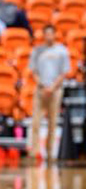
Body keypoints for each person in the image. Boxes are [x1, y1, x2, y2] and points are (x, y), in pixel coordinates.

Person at [29, 25, 71, 161]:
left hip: (56, 91)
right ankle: (35, 152)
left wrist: (52, 87)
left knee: (53, 122)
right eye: (46, 34)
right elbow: (33, 71)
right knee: (36, 121)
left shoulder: (62, 50)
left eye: (50, 34)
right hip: (40, 90)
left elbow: (64, 72)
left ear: (54, 34)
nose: (48, 36)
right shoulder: (37, 51)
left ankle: (50, 152)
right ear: (43, 35)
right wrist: (42, 84)